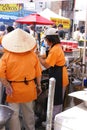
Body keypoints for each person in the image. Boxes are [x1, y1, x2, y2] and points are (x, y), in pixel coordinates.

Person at [0, 28, 42, 130]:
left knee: (14, 115)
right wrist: (39, 85)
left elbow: (1, 73)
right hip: (29, 88)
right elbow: (38, 73)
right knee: (29, 113)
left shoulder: (6, 56)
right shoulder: (33, 55)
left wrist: (7, 85)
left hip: (13, 89)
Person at [38, 28, 69, 127]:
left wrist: (38, 58)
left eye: (46, 39)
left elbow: (47, 65)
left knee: (56, 101)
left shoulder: (55, 49)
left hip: (59, 77)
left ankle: (52, 124)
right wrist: (40, 55)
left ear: (50, 39)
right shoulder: (55, 47)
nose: (45, 41)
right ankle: (52, 122)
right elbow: (47, 55)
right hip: (58, 75)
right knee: (55, 100)